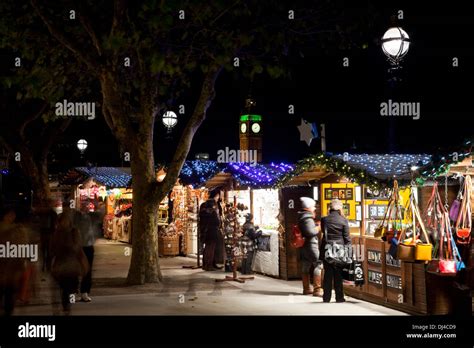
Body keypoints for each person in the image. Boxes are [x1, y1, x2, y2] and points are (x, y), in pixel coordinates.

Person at [50, 213, 88, 315]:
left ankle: (67, 307)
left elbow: (77, 247)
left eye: (66, 220)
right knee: (64, 288)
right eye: (63, 221)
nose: (65, 223)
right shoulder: (57, 233)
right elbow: (53, 249)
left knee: (68, 288)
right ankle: (65, 307)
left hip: (71, 266)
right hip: (61, 265)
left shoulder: (74, 232)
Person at [321, 199, 352, 303]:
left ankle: (326, 297)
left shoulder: (324, 219)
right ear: (340, 208)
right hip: (340, 250)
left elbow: (323, 232)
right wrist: (350, 253)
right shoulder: (343, 220)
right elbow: (347, 238)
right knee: (338, 274)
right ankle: (339, 297)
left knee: (328, 273)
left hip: (327, 249)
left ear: (330, 207)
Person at [0, 207, 29, 315]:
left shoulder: (15, 229)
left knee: (8, 294)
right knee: (8, 295)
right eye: (10, 215)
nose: (13, 217)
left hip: (9, 269)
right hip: (7, 269)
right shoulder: (15, 230)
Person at [298, 197, 323, 296]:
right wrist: (318, 227)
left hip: (304, 245)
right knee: (319, 264)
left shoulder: (302, 217)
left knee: (306, 265)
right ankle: (317, 289)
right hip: (311, 245)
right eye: (313, 207)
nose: (314, 209)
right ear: (308, 207)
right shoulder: (307, 218)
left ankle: (306, 288)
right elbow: (310, 232)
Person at [74, 202, 96, 302]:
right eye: (84, 206)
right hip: (78, 247)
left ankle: (84, 292)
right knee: (76, 270)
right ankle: (75, 291)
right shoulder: (77, 217)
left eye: (87, 206)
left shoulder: (90, 217)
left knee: (87, 270)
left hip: (88, 246)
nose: (86, 208)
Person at [199, 198, 221, 271]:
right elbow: (217, 222)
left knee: (207, 249)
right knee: (210, 249)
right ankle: (209, 265)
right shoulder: (212, 212)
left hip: (205, 232)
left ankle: (206, 265)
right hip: (212, 232)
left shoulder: (203, 212)